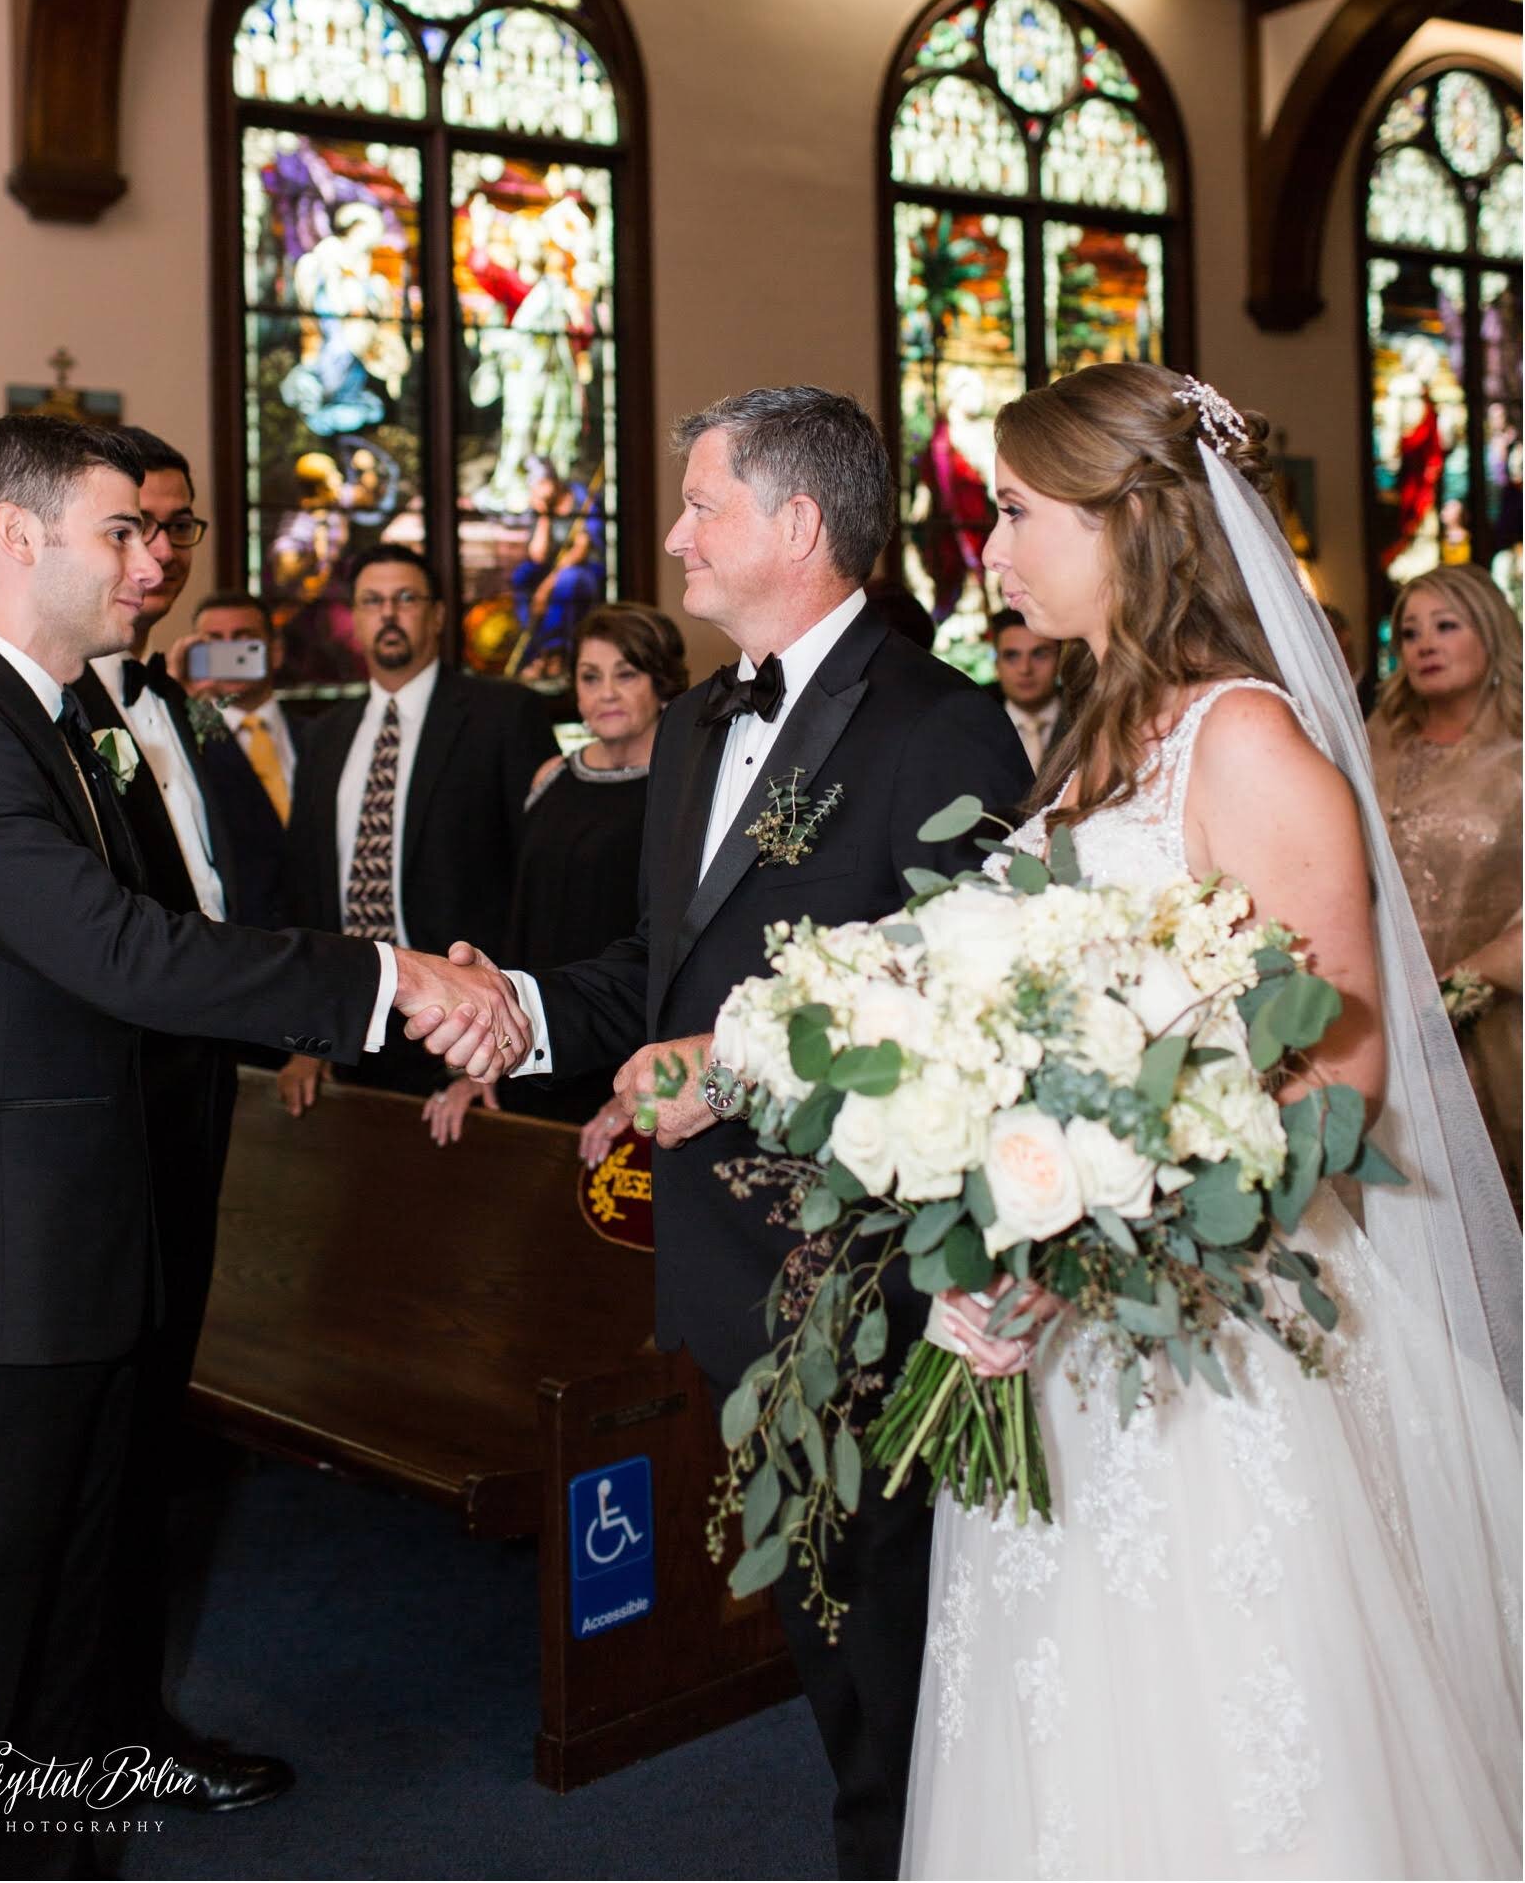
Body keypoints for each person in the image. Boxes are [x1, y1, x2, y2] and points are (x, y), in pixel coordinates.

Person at [901, 365, 1520, 1881]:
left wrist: (1109, 1217)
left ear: (1134, 520)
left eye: (1023, 511)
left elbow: (1341, 1071)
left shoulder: (1244, 741)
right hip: (1069, 1319)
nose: (992, 546)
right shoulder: (1103, 730)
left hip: (1204, 1318)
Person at [432, 386, 1031, 1880]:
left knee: (888, 1625)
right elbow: (662, 971)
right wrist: (519, 1008)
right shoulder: (701, 722)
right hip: (718, 1253)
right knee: (830, 1617)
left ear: (798, 525)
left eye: (702, 504)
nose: (677, 534)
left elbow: (979, 1017)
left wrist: (751, 1073)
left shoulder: (940, 723)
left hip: (865, 1261)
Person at [0, 416, 509, 1879]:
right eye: (120, 530)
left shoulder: (64, 718)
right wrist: (387, 980)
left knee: (66, 1638)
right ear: (19, 540)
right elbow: (133, 951)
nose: (151, 559)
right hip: (0, 1273)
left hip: (88, 1243)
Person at [70, 432, 290, 1806]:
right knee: (97, 1436)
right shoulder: (41, 719)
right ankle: (84, 1729)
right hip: (102, 1113)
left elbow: (237, 875)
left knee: (150, 1425)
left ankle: (127, 1706)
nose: (158, 559)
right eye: (133, 529)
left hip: (197, 1091)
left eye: (182, 531)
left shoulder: (179, 705)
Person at [280, 541, 556, 1111]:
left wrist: (510, 1044)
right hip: (350, 1032)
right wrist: (307, 1037)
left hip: (468, 1035)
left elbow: (542, 890)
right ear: (354, 617)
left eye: (405, 599)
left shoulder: (505, 715)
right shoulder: (324, 735)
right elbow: (307, 894)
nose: (388, 614)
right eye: (372, 601)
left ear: (435, 615)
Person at [425, 602, 688, 1149]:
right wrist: (483, 1062)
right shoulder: (551, 776)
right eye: (590, 677)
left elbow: (680, 951)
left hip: (632, 1065)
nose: (606, 693)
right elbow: (518, 918)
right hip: (535, 1046)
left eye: (626, 673)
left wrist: (645, 1089)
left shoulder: (688, 787)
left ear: (662, 683)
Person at [1368, 566, 1522, 1206]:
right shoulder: (1370, 744)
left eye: (1446, 625)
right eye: (1409, 632)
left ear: (1489, 633)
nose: (1424, 643)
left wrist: (1444, 1003)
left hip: (1496, 1036)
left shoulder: (1518, 757)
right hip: (1380, 1029)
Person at [169, 590, 298, 932]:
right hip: (237, 942)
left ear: (276, 650)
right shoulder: (182, 744)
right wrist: (181, 704)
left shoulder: (321, 737)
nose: (230, 653)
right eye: (214, 642)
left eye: (245, 641)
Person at [987, 603, 1064, 769]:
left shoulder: (1090, 723)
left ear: (1060, 660)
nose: (1025, 669)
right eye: (1011, 656)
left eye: (1040, 654)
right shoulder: (975, 728)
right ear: (996, 664)